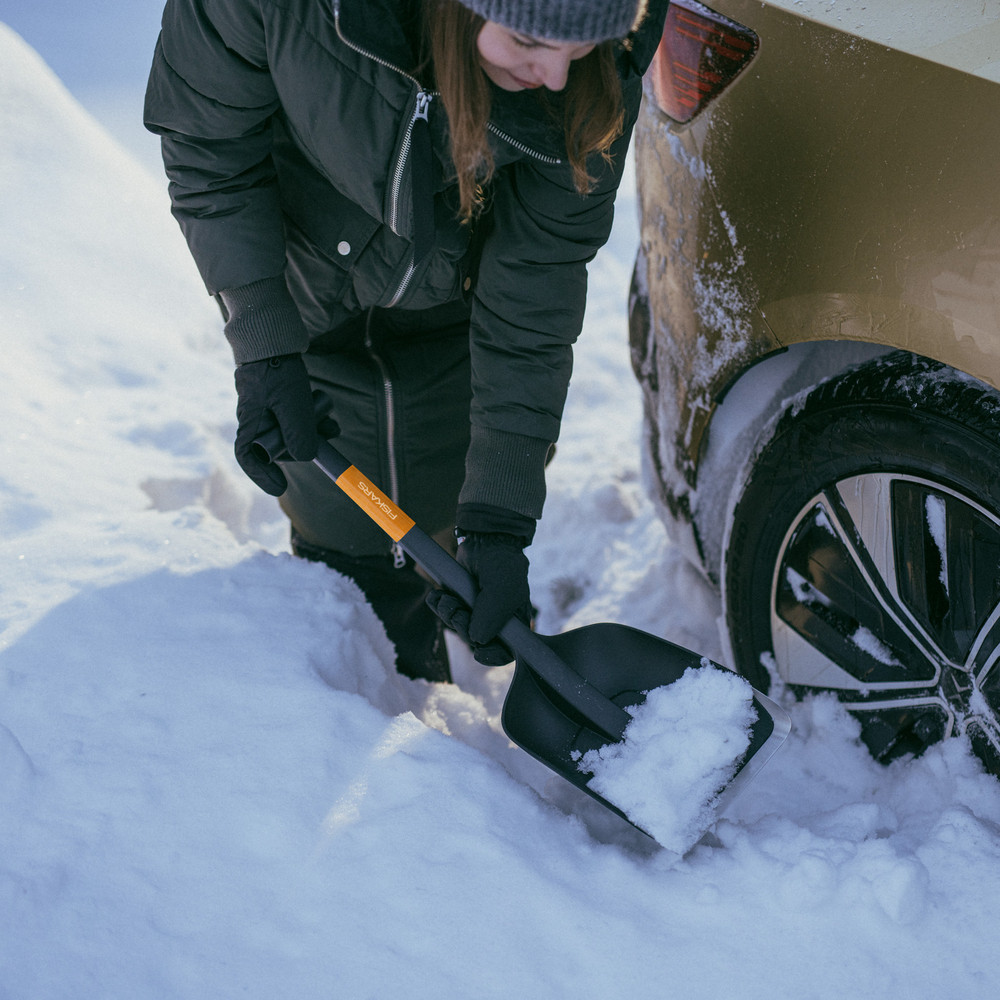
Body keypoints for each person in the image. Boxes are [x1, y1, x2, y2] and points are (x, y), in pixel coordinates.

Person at [144, 0, 669, 682]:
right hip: (305, 287)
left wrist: (499, 521)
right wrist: (264, 341)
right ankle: (376, 698)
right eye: (530, 40)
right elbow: (210, 150)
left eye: (581, 50)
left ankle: (452, 658)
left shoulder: (598, 71)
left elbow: (536, 287)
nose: (558, 77)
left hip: (455, 302)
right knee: (347, 542)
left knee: (449, 494)